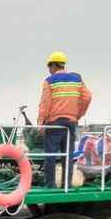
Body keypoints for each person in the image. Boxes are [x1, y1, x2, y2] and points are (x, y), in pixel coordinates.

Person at [37, 51, 92, 188]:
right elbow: (87, 97)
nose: (49, 70)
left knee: (51, 154)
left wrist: (41, 124)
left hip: (54, 123)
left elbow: (45, 105)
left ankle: (50, 185)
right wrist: (77, 115)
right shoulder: (77, 79)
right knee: (68, 154)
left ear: (53, 66)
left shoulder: (49, 82)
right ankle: (66, 183)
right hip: (71, 122)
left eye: (49, 67)